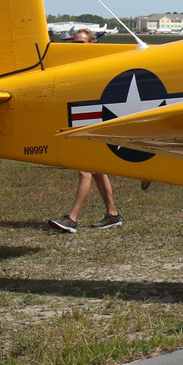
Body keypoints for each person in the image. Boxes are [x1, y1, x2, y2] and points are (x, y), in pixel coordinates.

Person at [48, 29, 122, 233]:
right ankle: (113, 215)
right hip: (85, 117)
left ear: (91, 43)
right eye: (74, 42)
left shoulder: (98, 63)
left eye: (81, 43)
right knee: (98, 170)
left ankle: (71, 219)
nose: (76, 46)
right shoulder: (78, 64)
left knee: (84, 170)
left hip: (94, 118)